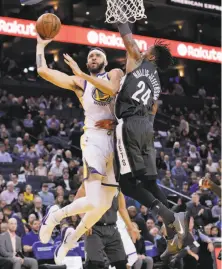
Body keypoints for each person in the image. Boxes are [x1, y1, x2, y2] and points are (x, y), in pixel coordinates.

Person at [36, 34, 123, 264]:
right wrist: (41, 45)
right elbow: (44, 72)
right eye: (90, 56)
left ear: (105, 61)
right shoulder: (81, 82)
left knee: (103, 205)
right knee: (94, 200)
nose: (93, 57)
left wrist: (115, 122)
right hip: (94, 139)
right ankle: (54, 216)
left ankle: (70, 239)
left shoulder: (115, 74)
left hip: (116, 143)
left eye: (98, 55)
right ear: (87, 64)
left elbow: (114, 92)